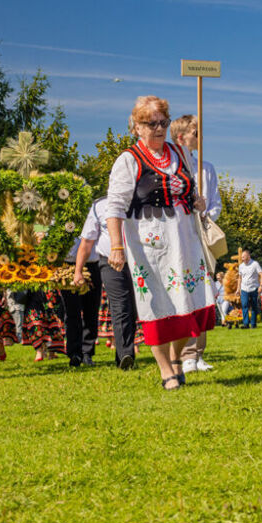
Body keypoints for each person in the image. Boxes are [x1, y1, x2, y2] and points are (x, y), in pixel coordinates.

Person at [105, 96, 217, 391]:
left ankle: (176, 357)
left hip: (184, 239)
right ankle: (166, 370)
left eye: (163, 122)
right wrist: (116, 246)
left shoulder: (179, 152)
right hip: (149, 244)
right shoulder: (128, 160)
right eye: (151, 123)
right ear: (136, 127)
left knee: (191, 306)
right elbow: (114, 207)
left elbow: (188, 188)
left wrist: (196, 200)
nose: (158, 128)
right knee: (157, 306)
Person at [172, 114, 222, 373]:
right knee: (181, 292)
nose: (200, 138)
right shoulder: (169, 166)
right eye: (196, 133)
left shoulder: (206, 168)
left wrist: (204, 213)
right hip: (176, 237)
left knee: (203, 293)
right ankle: (181, 353)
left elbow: (216, 204)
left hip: (199, 237)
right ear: (181, 137)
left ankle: (197, 352)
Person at [75, 196, 138, 369]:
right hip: (110, 262)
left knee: (133, 309)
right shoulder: (99, 206)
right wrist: (78, 270)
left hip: (138, 261)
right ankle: (125, 355)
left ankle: (127, 350)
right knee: (120, 306)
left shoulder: (139, 201)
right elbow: (87, 242)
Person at [61, 236, 101, 367]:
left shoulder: (93, 215)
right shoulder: (61, 217)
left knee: (91, 309)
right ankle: (74, 353)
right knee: (72, 311)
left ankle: (87, 352)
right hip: (68, 265)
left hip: (91, 263)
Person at [236, 250, 262, 329]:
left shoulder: (255, 264)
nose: (242, 258)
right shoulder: (241, 266)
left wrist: (261, 285)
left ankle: (253, 324)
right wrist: (238, 289)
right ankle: (246, 324)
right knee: (244, 305)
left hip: (254, 288)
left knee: (254, 306)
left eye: (243, 257)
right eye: (242, 257)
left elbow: (261, 274)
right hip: (244, 289)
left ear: (248, 256)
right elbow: (240, 278)